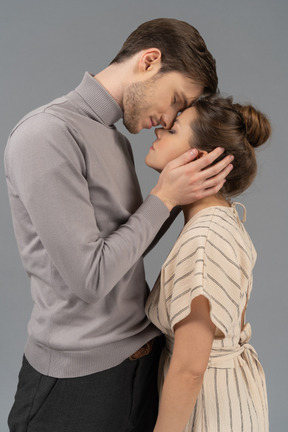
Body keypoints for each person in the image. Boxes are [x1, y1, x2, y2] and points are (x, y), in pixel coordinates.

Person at [4, 18, 233, 432]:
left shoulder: (115, 139)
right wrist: (164, 197)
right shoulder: (46, 134)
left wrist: (183, 196)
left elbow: (121, 253)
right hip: (76, 384)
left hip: (141, 367)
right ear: (149, 61)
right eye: (177, 100)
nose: (169, 120)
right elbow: (91, 277)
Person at [145, 93, 271, 432]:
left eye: (172, 132)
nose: (158, 130)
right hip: (222, 400)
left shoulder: (205, 237)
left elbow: (190, 367)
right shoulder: (219, 219)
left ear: (199, 159)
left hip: (208, 410)